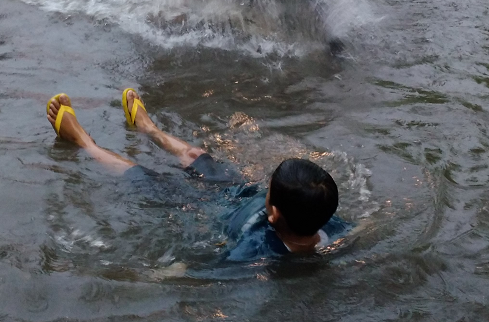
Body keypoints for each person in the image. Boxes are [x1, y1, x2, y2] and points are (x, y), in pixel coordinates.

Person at [46, 90, 350, 261]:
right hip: (237, 191)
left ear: (272, 215)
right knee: (197, 157)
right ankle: (148, 129)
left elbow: (213, 269)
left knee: (140, 175)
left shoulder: (258, 246)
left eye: (268, 189)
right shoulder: (328, 224)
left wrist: (171, 272)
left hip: (205, 207)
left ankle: (83, 141)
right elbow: (362, 227)